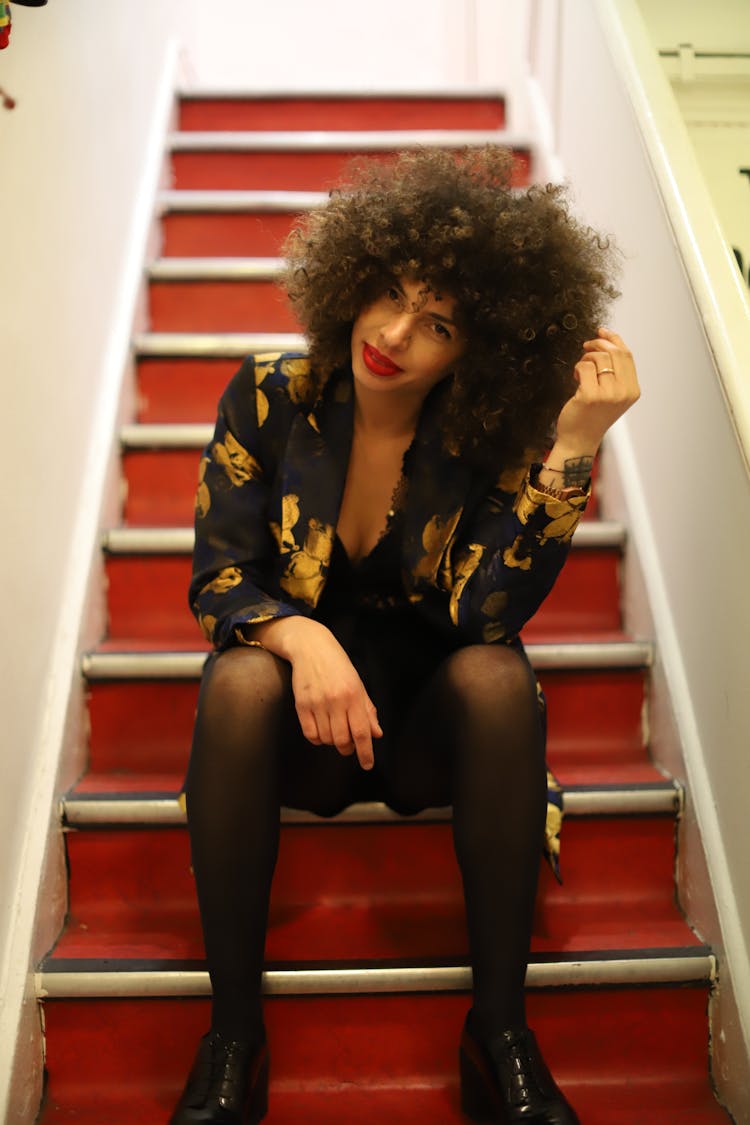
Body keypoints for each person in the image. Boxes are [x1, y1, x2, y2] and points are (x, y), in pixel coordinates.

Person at [169, 146, 640, 1125]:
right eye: (387, 293)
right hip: (298, 734)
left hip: (425, 737)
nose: (390, 334)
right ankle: (232, 1039)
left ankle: (500, 1036)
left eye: (439, 324)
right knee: (238, 683)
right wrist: (305, 641)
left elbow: (487, 617)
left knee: (498, 678)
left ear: (479, 349)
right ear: (351, 274)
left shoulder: (492, 436)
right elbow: (219, 580)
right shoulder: (268, 393)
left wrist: (576, 445)